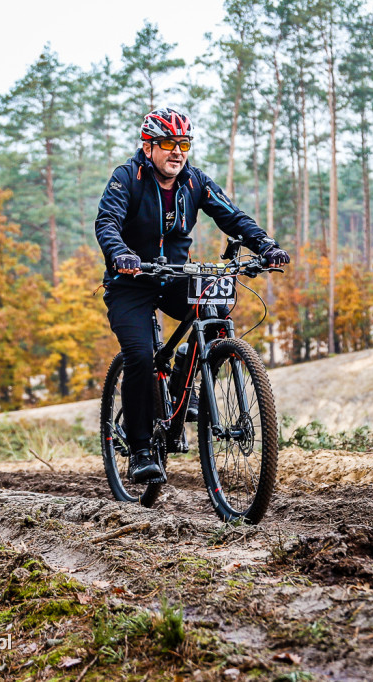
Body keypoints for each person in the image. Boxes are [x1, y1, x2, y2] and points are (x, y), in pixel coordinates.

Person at [95, 107, 289, 484]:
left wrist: (265, 244)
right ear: (148, 147)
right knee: (139, 356)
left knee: (215, 305)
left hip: (174, 276)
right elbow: (107, 222)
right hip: (131, 281)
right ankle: (139, 450)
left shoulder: (195, 181)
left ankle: (190, 368)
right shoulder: (126, 178)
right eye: (167, 143)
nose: (177, 152)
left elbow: (232, 216)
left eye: (183, 144)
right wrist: (120, 254)